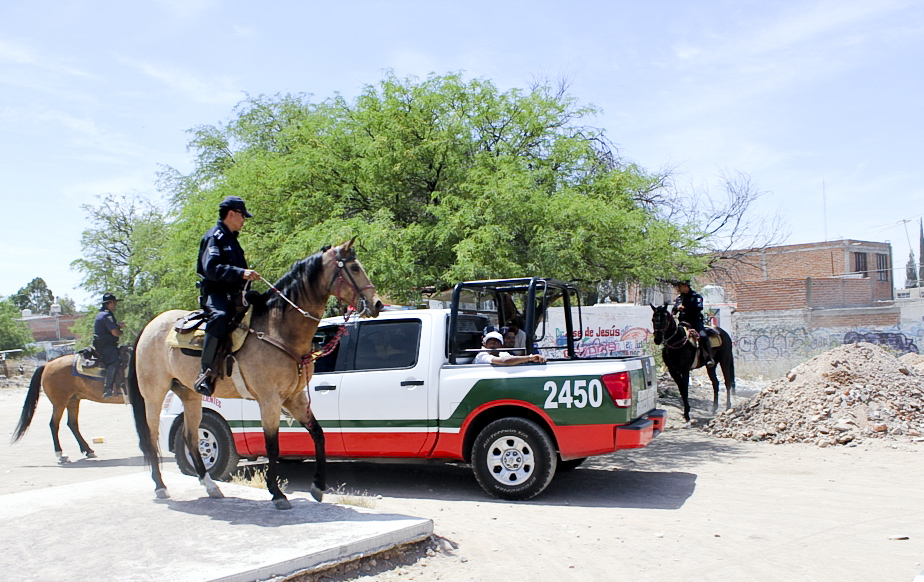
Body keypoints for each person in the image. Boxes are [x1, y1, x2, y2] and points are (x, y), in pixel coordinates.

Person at [194, 195, 260, 396]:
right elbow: (211, 269)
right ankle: (205, 372)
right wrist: (241, 273)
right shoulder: (215, 237)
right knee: (220, 317)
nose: (244, 220)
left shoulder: (232, 239)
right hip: (216, 293)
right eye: (242, 216)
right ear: (231, 214)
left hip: (236, 292)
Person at [672, 280, 714, 367]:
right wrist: (673, 313)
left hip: (695, 322)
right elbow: (674, 310)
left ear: (686, 286)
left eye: (680, 286)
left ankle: (709, 358)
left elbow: (698, 308)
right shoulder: (679, 298)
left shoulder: (696, 297)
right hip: (683, 323)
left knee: (703, 335)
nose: (679, 288)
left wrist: (684, 309)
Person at [93, 293, 126, 398]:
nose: (115, 305)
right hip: (106, 346)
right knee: (114, 361)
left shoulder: (102, 314)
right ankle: (108, 389)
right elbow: (115, 333)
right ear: (110, 303)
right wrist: (120, 331)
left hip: (103, 344)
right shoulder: (107, 315)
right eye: (115, 303)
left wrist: (117, 325)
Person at [474, 330, 546, 366]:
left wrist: (537, 359)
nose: (492, 345)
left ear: (501, 346)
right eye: (490, 343)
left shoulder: (503, 354)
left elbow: (513, 360)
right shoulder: (482, 355)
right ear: (485, 345)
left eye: (496, 343)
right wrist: (530, 357)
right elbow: (504, 361)